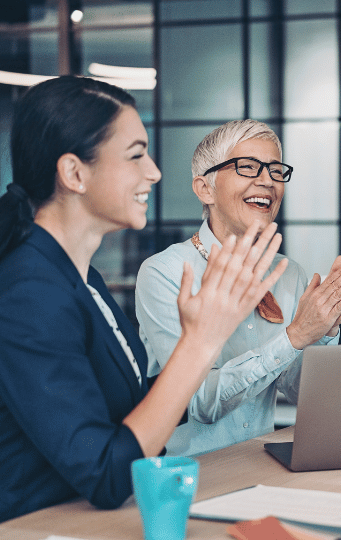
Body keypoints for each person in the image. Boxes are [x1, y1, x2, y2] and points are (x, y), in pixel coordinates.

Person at [0, 76, 287, 521]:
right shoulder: (28, 291)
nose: (153, 171)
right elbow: (107, 475)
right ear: (75, 173)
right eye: (136, 155)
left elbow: (132, 408)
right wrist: (200, 342)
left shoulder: (82, 277)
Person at [136, 120, 341, 456]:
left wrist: (325, 328)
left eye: (276, 171)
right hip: (190, 472)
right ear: (205, 189)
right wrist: (295, 336)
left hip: (262, 462)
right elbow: (201, 402)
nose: (267, 181)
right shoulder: (166, 273)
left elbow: (300, 393)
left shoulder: (288, 272)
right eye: (247, 167)